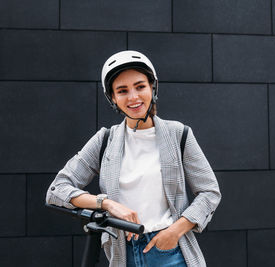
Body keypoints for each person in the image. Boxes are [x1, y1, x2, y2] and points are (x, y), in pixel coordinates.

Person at [46, 50, 221, 267]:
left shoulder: (179, 134)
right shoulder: (105, 140)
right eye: (122, 90)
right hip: (122, 254)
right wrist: (107, 204)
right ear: (113, 98)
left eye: (140, 86)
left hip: (170, 253)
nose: (133, 97)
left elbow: (209, 192)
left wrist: (174, 232)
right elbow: (57, 190)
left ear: (152, 87)